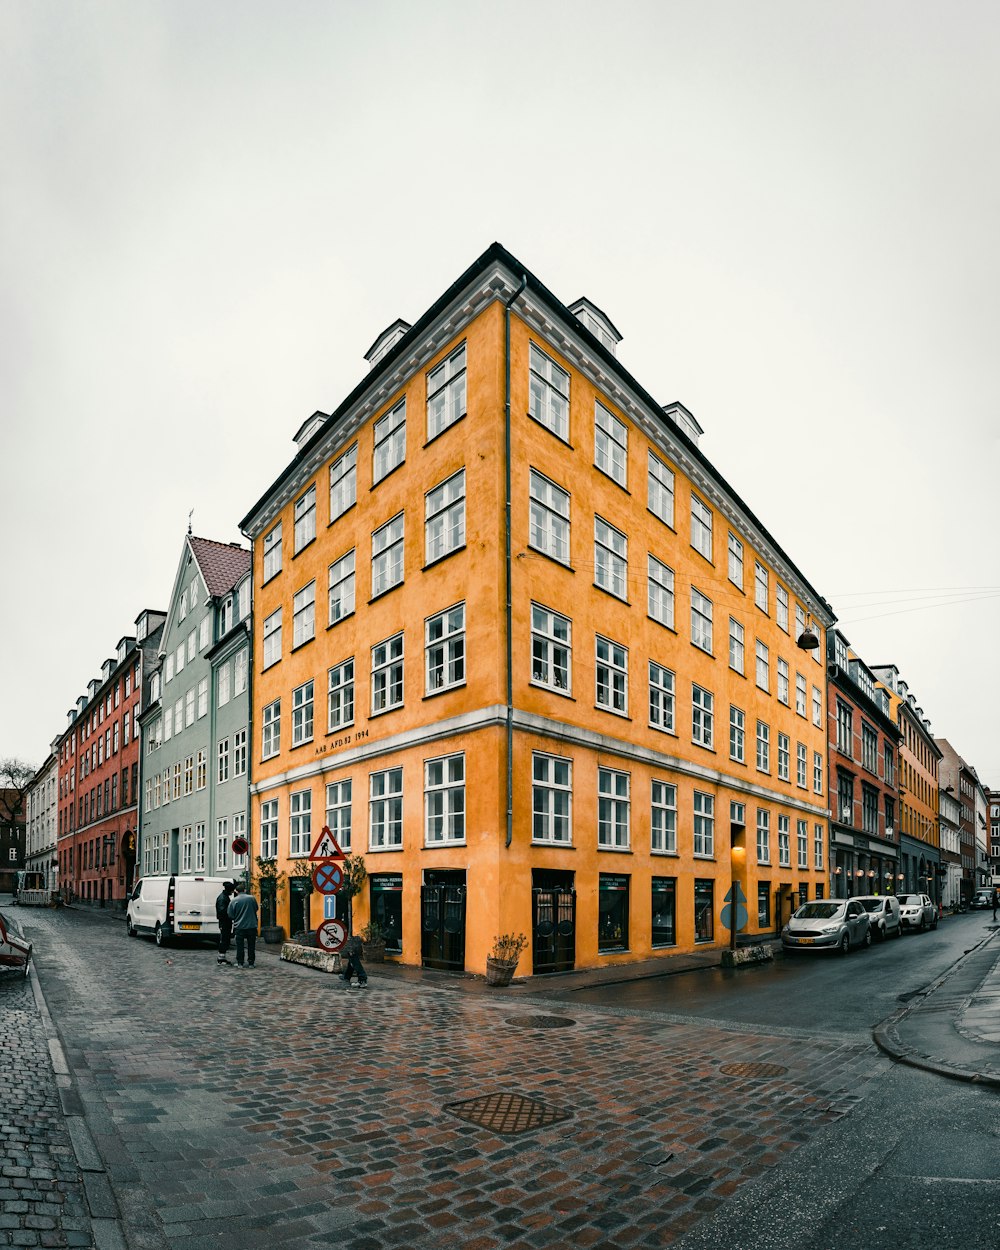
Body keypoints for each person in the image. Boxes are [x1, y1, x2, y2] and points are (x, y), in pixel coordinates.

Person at [228, 885, 260, 968]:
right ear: (245, 890)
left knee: (240, 946)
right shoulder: (252, 898)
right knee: (251, 945)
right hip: (251, 926)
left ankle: (240, 963)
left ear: (236, 891)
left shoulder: (234, 901)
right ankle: (251, 963)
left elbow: (230, 914)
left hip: (239, 926)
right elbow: (256, 908)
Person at [215, 881, 235, 965]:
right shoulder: (223, 898)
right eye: (232, 890)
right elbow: (222, 911)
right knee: (224, 939)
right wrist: (230, 915)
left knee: (225, 939)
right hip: (224, 922)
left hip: (225, 922)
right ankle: (221, 958)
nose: (232, 892)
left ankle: (222, 957)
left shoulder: (224, 897)